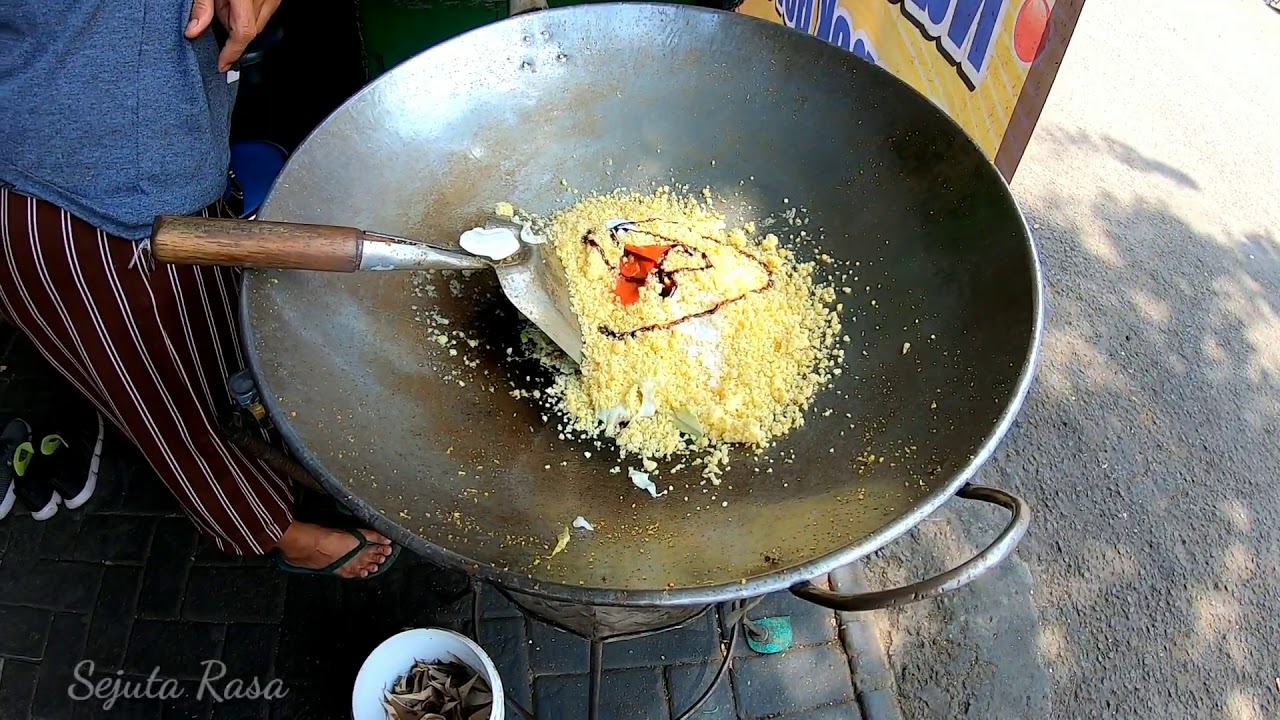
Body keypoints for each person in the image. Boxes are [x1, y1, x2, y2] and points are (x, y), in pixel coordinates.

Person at [0, 0, 396, 579]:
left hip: (185, 165)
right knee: (170, 401)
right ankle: (275, 532)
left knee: (232, 360)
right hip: (74, 201)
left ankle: (285, 471)